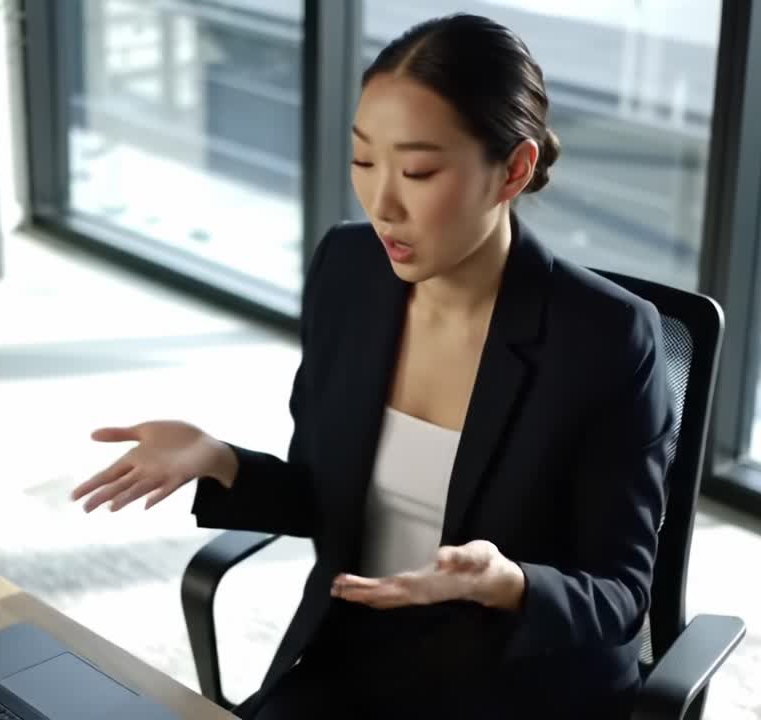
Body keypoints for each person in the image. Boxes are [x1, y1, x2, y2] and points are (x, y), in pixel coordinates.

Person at [71, 12, 673, 720]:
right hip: (359, 650)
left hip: (516, 677)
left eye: (417, 170)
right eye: (363, 161)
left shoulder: (605, 336)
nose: (382, 203)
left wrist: (507, 582)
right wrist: (220, 460)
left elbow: (622, 591)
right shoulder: (348, 271)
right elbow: (326, 500)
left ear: (514, 169)